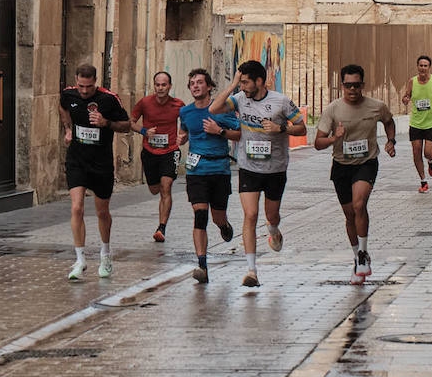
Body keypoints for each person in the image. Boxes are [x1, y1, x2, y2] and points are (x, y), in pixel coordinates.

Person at [210, 59, 306, 287]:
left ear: (260, 81)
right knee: (250, 215)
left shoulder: (281, 101)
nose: (242, 87)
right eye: (240, 83)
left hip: (275, 169)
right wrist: (233, 85)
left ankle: (273, 229)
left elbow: (302, 127)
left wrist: (280, 128)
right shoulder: (240, 99)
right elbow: (213, 109)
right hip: (249, 168)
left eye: (245, 82)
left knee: (271, 215)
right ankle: (251, 270)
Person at [315, 64, 397, 281]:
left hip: (366, 163)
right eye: (348, 85)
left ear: (363, 85)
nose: (353, 89)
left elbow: (389, 121)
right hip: (341, 166)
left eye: (357, 85)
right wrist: (335, 138)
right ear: (342, 86)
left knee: (359, 204)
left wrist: (391, 140)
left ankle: (363, 253)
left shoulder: (376, 106)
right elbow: (318, 143)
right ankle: (357, 258)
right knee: (350, 215)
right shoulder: (333, 109)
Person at [59, 63, 131, 280]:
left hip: (101, 163)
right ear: (76, 80)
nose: (83, 91)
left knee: (102, 212)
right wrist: (68, 129)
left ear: (96, 82)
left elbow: (126, 125)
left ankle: (105, 254)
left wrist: (106, 122)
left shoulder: (109, 99)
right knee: (77, 207)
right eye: (80, 86)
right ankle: (80, 259)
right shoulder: (68, 94)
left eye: (88, 87)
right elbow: (62, 107)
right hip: (77, 159)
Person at [178, 68, 242, 283]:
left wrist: (219, 131)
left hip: (219, 170)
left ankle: (224, 226)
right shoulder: (185, 112)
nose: (195, 86)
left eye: (199, 82)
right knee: (200, 215)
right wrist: (182, 138)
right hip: (196, 171)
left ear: (209, 86)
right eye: (192, 83)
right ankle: (202, 265)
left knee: (217, 217)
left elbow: (238, 134)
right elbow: (185, 131)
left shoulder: (222, 110)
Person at [130, 71, 186, 243]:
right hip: (150, 152)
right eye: (157, 85)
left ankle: (161, 228)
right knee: (155, 189)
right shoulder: (145, 103)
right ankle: (161, 224)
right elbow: (129, 121)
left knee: (166, 187)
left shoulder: (178, 105)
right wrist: (144, 131)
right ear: (154, 86)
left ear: (170, 86)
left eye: (164, 85)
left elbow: (186, 124)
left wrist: (183, 136)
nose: (160, 88)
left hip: (170, 151)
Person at [401, 53, 432, 192]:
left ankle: (431, 161)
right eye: (421, 65)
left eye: (425, 66)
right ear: (417, 67)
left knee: (428, 152)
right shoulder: (412, 81)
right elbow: (407, 95)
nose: (423, 68)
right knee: (416, 153)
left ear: (429, 67)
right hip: (416, 122)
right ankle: (423, 181)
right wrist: (405, 99)